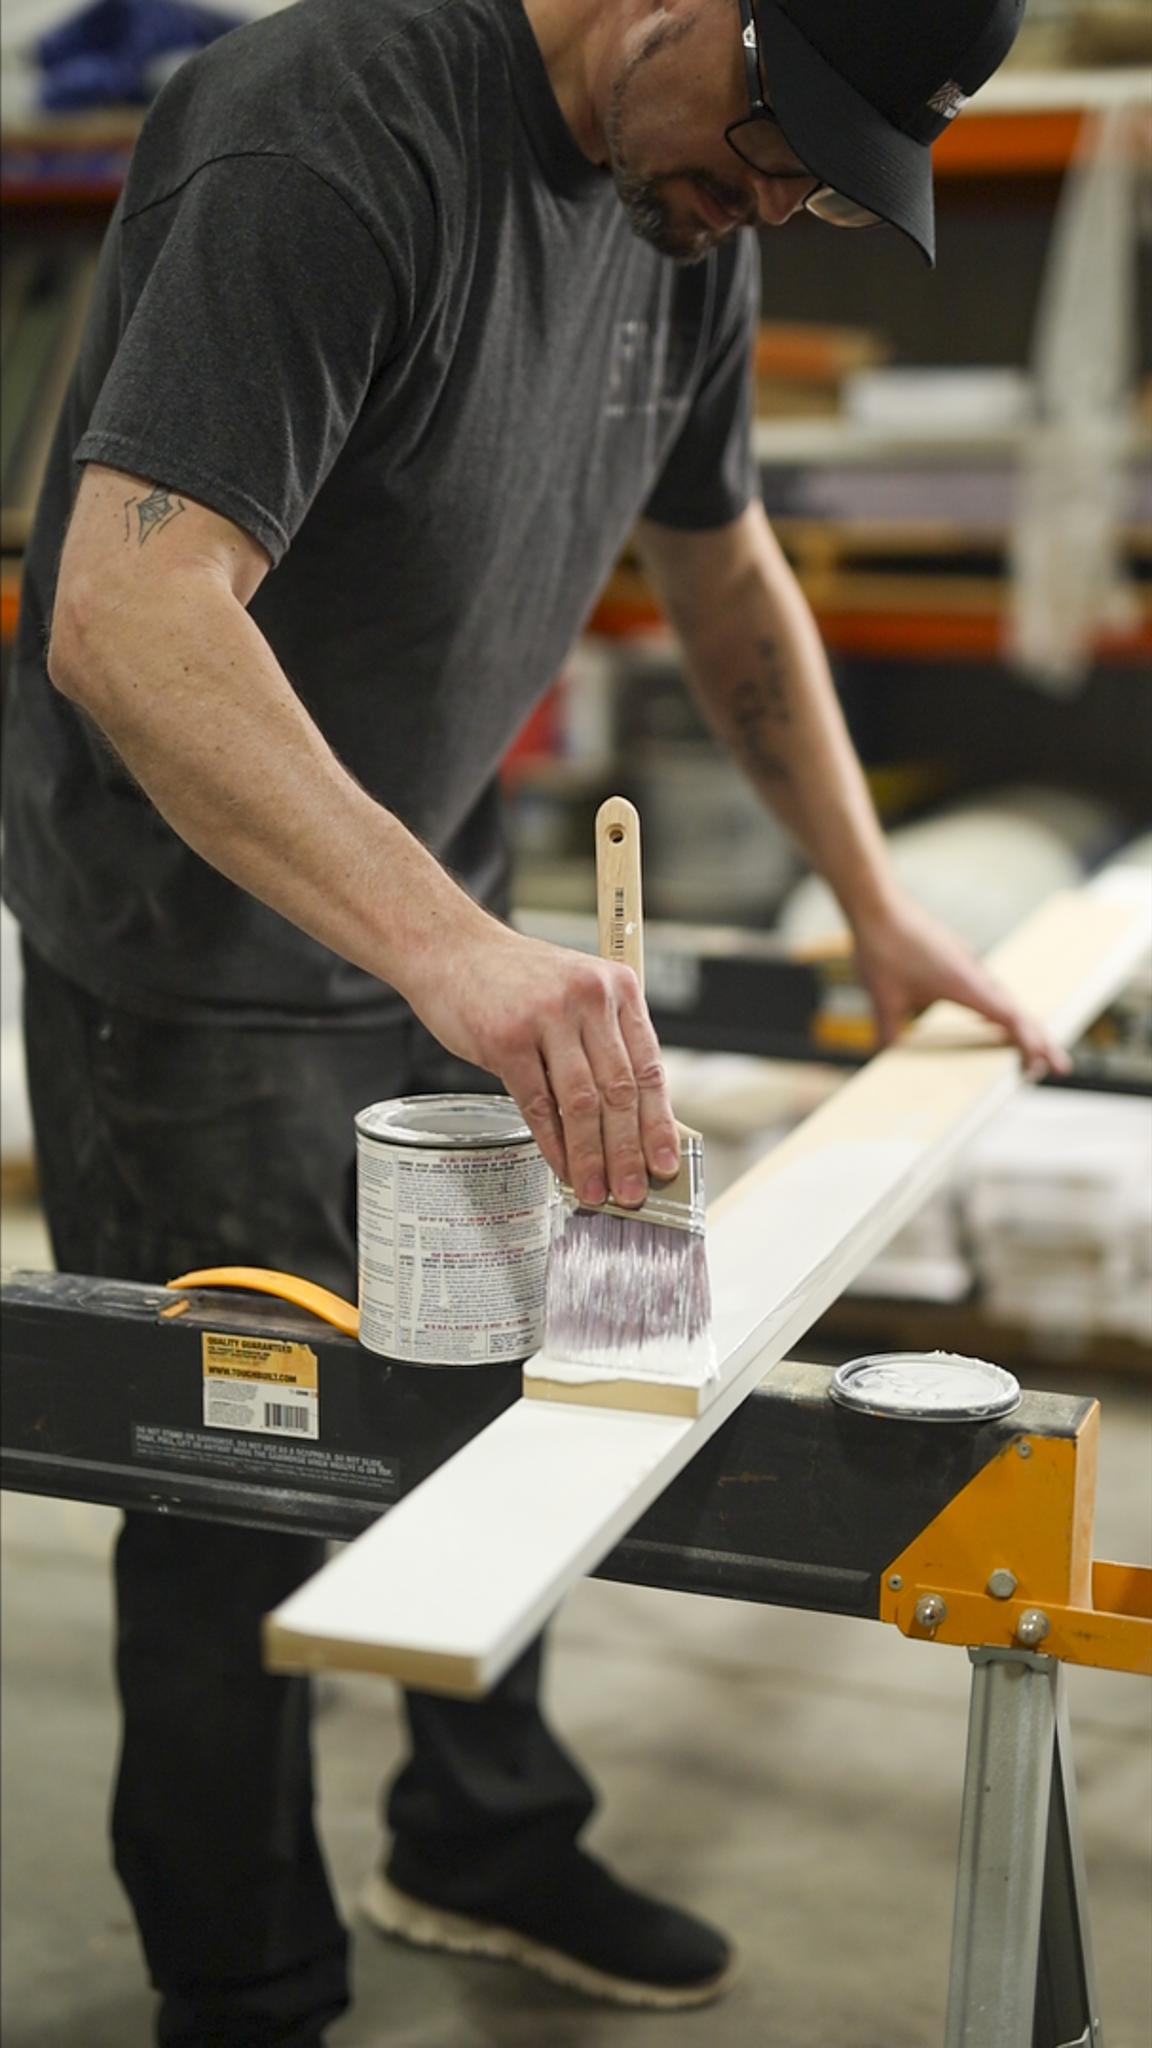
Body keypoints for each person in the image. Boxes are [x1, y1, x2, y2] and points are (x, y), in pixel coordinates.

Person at [3, 0, 1064, 2039]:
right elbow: (124, 615)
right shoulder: (329, 137)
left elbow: (726, 560)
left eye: (830, 176)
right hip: (199, 953)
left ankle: (479, 1837)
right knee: (238, 1495)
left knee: (525, 1393)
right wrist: (453, 953)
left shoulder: (693, 205)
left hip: (431, 902)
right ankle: (250, 1988)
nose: (782, 197)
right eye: (784, 136)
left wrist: (877, 906)